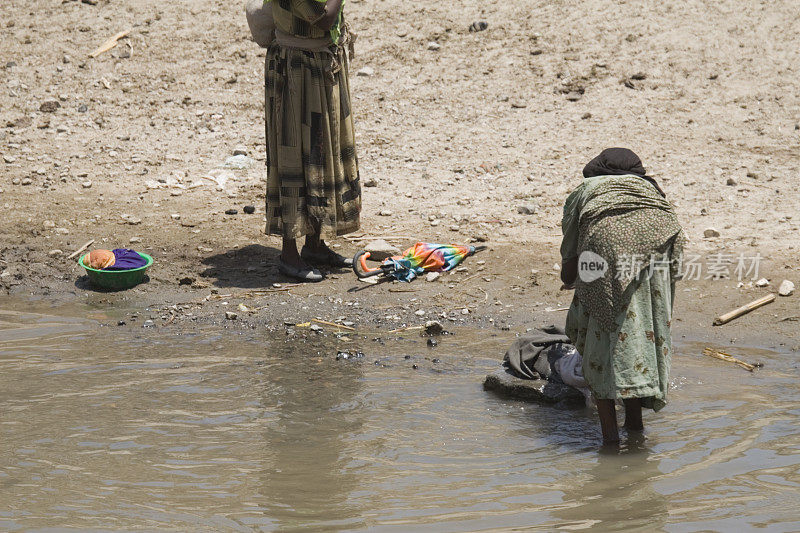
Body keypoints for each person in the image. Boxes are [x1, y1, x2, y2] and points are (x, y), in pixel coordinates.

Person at [559, 148, 684, 444]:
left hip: (604, 251)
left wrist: (575, 280)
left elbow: (569, 264)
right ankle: (636, 429)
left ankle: (610, 443)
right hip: (661, 252)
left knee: (604, 337)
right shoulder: (652, 190)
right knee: (641, 326)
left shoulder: (586, 190)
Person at [264, 0, 361, 281]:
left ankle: (315, 245)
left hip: (317, 62)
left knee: (321, 151)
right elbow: (323, 18)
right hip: (294, 68)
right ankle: (289, 254)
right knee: (294, 153)